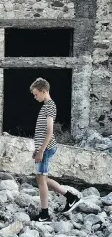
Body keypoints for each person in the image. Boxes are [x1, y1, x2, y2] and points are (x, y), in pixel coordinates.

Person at [30, 77, 81, 222]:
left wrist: (41, 151)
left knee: (41, 181)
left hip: (46, 149)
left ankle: (44, 215)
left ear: (44, 91)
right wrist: (37, 148)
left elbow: (50, 131)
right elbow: (41, 130)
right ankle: (71, 197)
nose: (35, 97)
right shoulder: (45, 106)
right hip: (43, 148)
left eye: (36, 94)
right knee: (43, 179)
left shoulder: (50, 106)